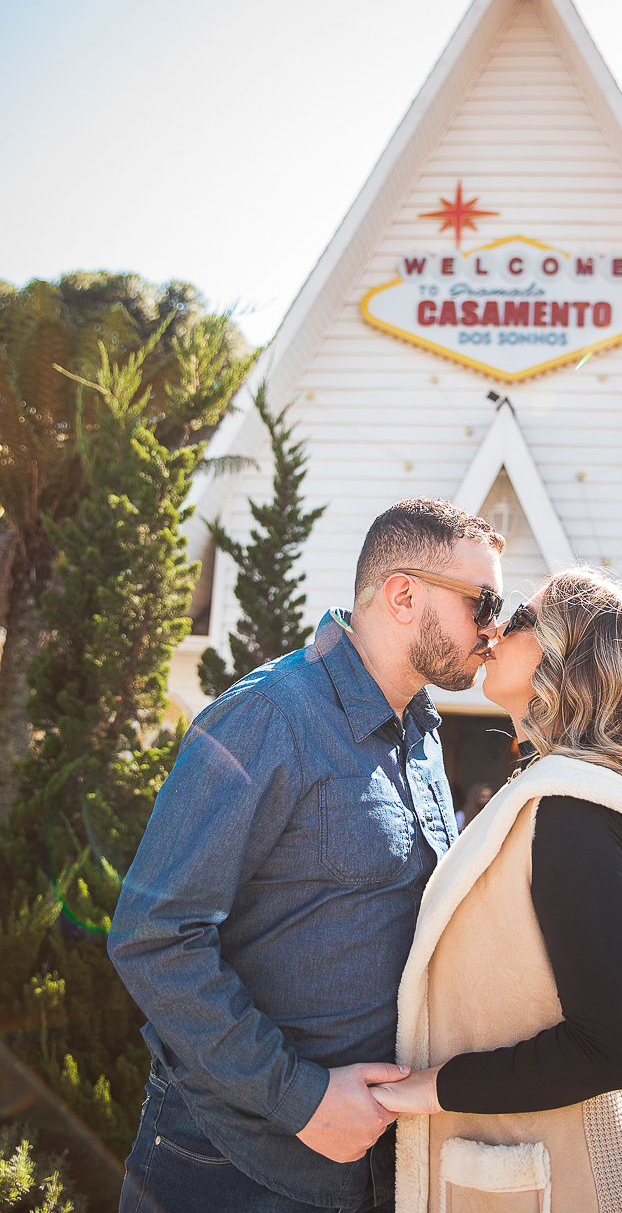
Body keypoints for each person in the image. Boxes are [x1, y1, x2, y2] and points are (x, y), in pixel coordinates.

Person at [108, 498, 505, 1213]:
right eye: (483, 602)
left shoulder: (422, 733)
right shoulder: (269, 715)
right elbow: (154, 936)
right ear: (402, 595)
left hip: (368, 1170)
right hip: (229, 1167)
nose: (494, 628)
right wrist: (301, 1098)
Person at [371, 568, 622, 1213]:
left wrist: (426, 1089)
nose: (496, 628)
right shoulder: (552, 799)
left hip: (580, 1187)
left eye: (521, 618)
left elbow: (606, 1049)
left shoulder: (572, 813)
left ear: (569, 657)